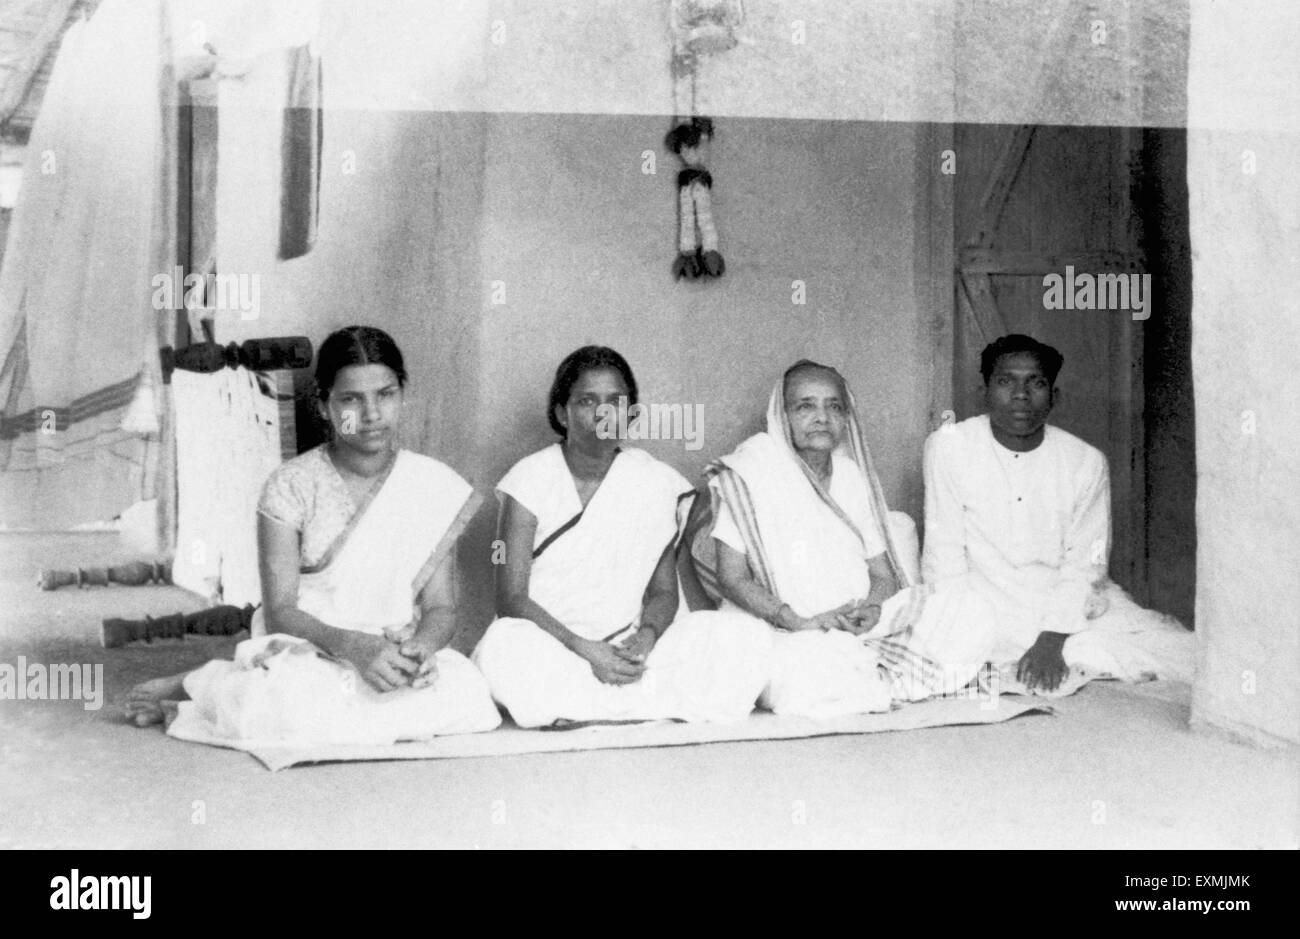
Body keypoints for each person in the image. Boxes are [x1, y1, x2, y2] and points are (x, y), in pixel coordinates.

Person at [124, 326, 501, 744]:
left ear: (403, 396)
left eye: (386, 394)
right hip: (311, 647)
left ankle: (217, 694)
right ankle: (208, 688)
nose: (372, 413)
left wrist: (422, 650)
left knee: (471, 699)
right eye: (351, 399)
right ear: (324, 406)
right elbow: (281, 609)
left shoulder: (431, 483)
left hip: (392, 651)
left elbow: (442, 607)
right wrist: (354, 647)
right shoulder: (291, 485)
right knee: (295, 711)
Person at [472, 346, 772, 728]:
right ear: (562, 412)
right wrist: (585, 650)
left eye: (616, 401)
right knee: (504, 647)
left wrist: (645, 639)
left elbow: (664, 593)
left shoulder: (654, 482)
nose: (603, 413)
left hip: (630, 651)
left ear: (631, 414)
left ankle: (589, 708)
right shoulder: (528, 481)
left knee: (743, 633)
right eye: (586, 401)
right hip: (553, 645)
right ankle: (644, 706)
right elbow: (510, 597)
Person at [684, 360, 998, 719]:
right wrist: (797, 621)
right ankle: (873, 678)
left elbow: (883, 574)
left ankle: (868, 675)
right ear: (780, 415)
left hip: (859, 628)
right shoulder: (750, 472)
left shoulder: (851, 475)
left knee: (972, 612)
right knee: (793, 667)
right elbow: (732, 578)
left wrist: (872, 609)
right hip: (785, 630)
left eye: (834, 406)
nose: (822, 417)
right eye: (805, 406)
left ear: (846, 417)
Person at [922, 333, 1194, 694]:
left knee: (1185, 655)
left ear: (1054, 397)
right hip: (983, 600)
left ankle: (1066, 643)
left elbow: (1086, 563)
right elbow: (944, 555)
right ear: (984, 392)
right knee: (961, 657)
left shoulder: (1085, 461)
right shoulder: (949, 447)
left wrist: (1052, 639)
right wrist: (960, 632)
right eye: (1006, 381)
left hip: (1064, 602)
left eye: (1036, 382)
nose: (1020, 395)